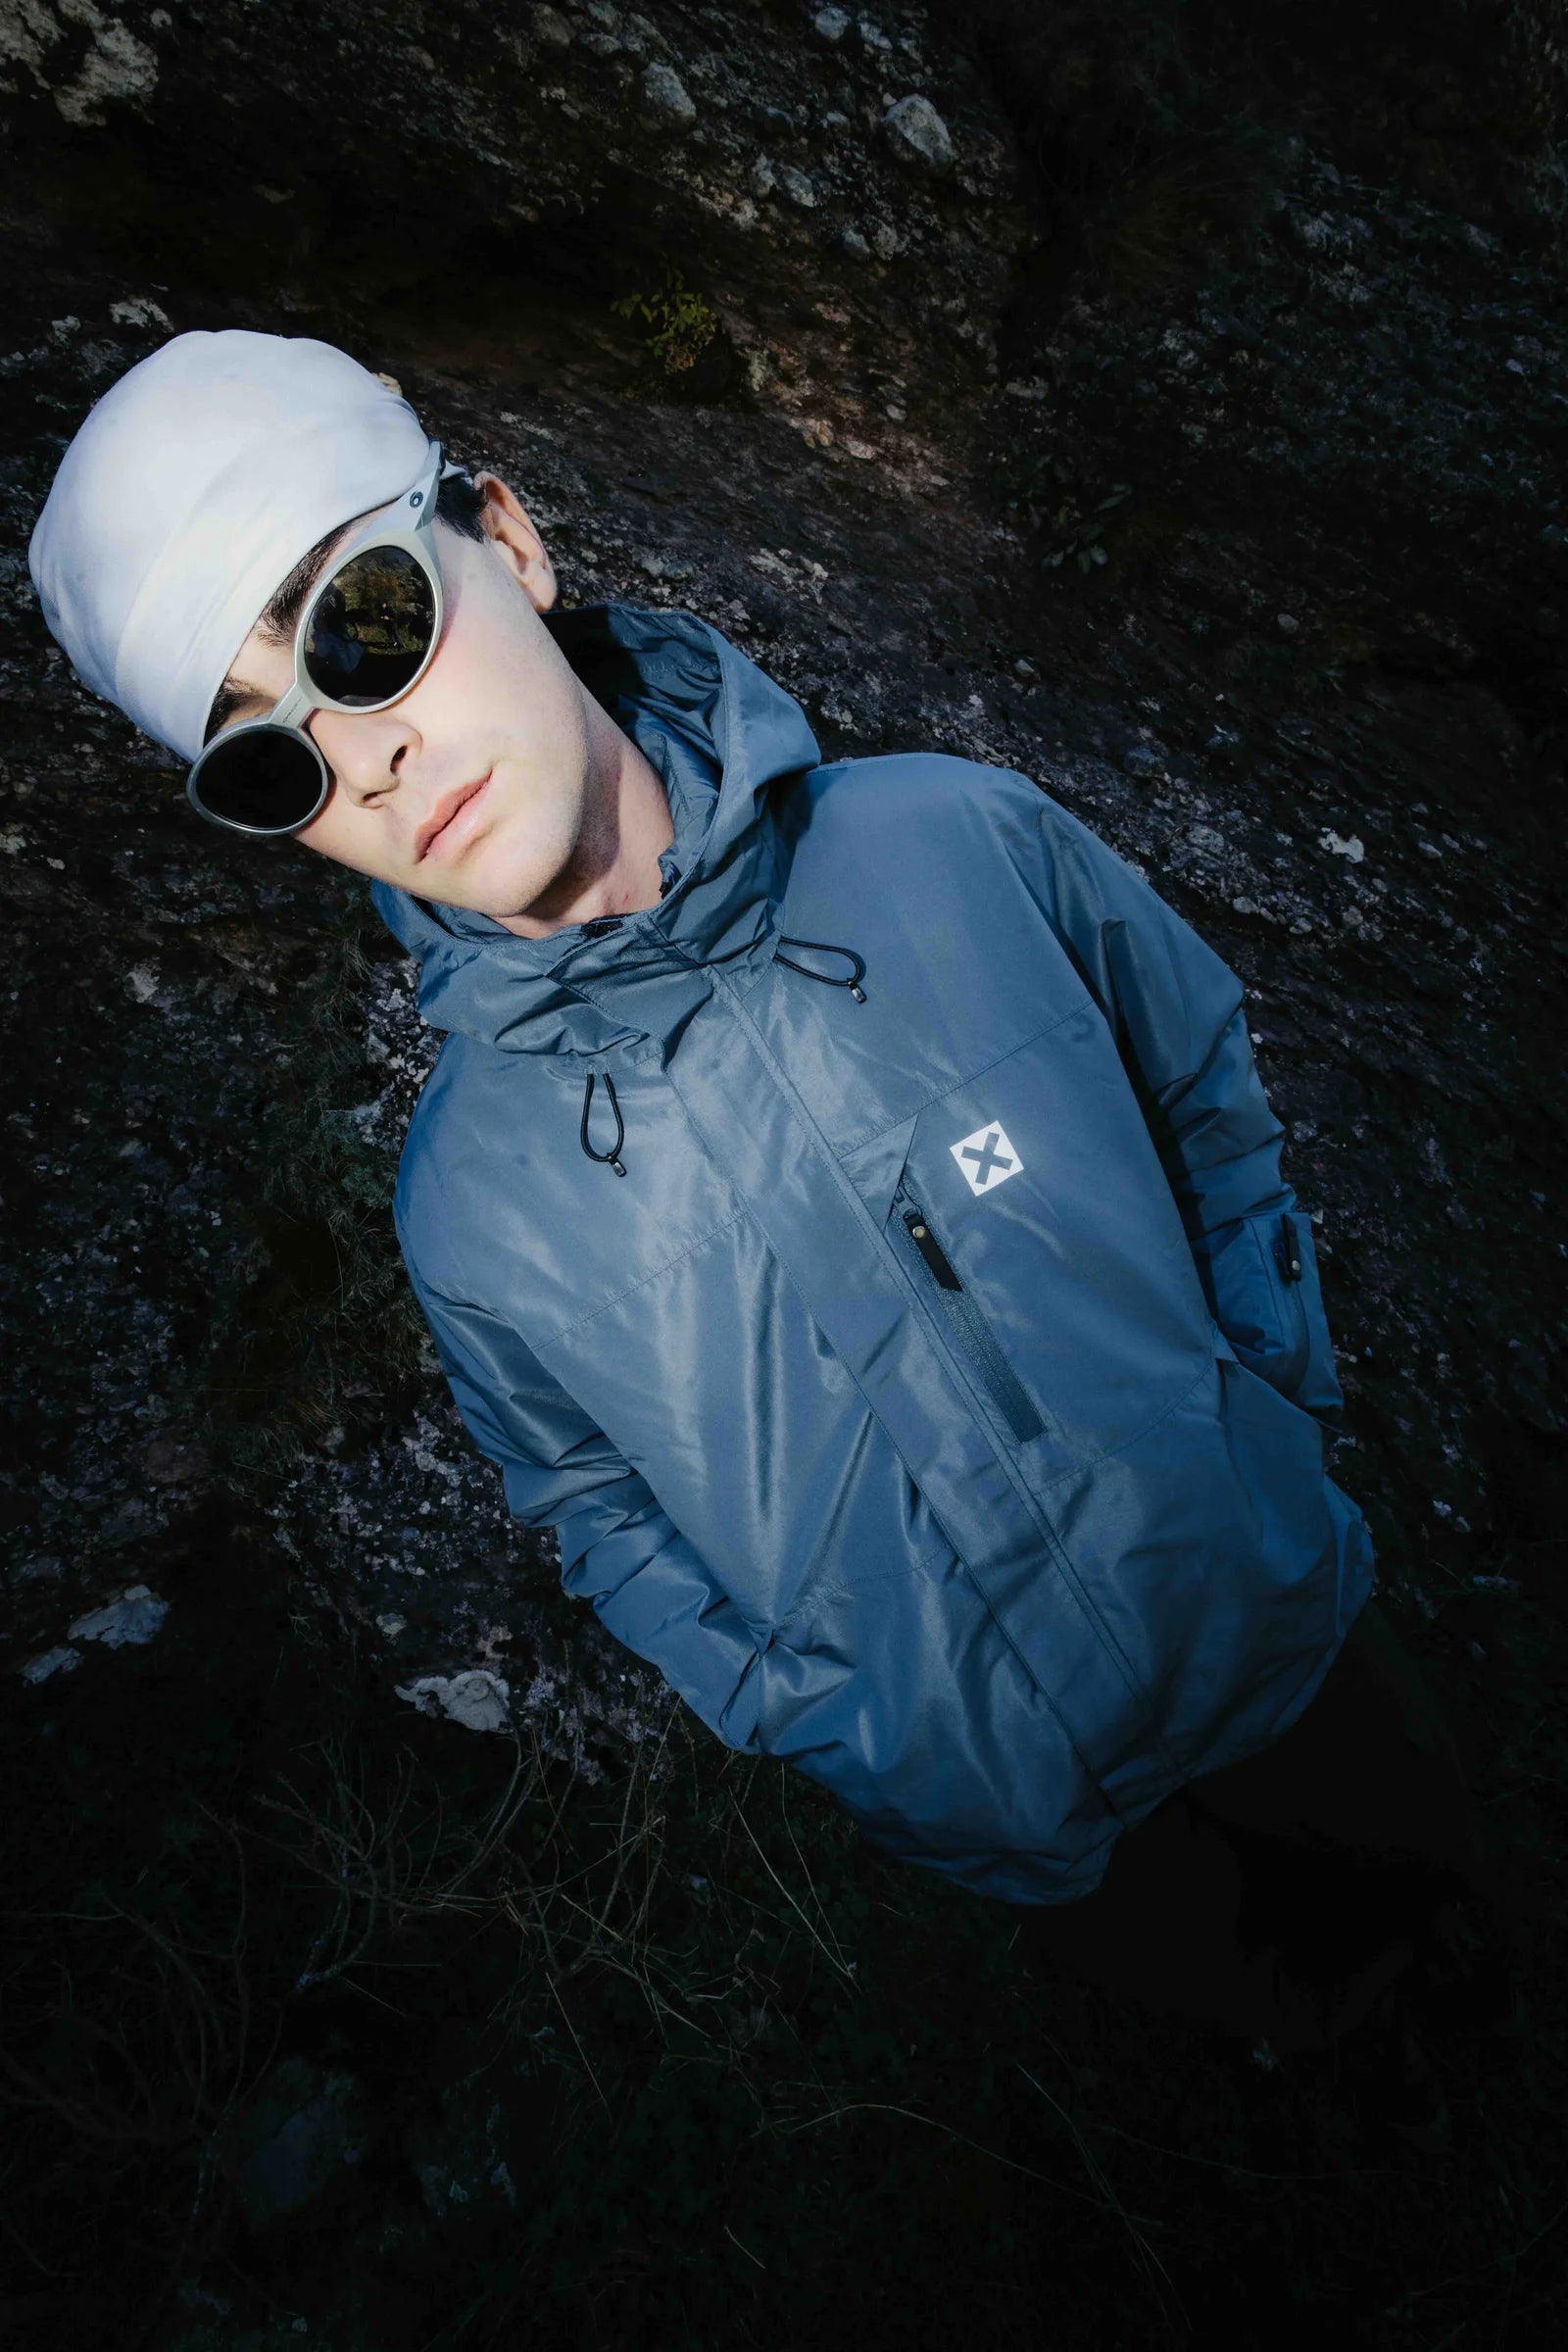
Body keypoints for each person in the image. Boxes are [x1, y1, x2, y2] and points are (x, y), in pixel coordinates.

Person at [27, 329, 1507, 2062]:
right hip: (1021, 1817)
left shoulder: (957, 842)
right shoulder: (467, 1209)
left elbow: (1200, 1094)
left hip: (1281, 1629)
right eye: (266, 761)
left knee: (1478, 1955)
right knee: (1251, 2094)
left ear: (507, 540)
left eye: (365, 628)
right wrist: (822, 1713)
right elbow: (592, 1508)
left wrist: (1262, 1409)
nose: (364, 761)